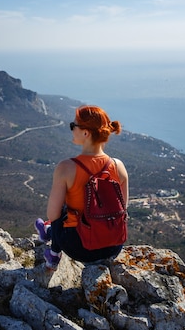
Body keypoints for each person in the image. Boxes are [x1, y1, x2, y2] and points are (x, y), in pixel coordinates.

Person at [35, 105, 129, 270]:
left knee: (62, 211)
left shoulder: (66, 167)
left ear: (86, 133)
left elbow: (53, 214)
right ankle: (49, 232)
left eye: (74, 126)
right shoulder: (118, 166)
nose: (72, 129)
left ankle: (53, 252)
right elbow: (123, 208)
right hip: (114, 246)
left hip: (80, 248)